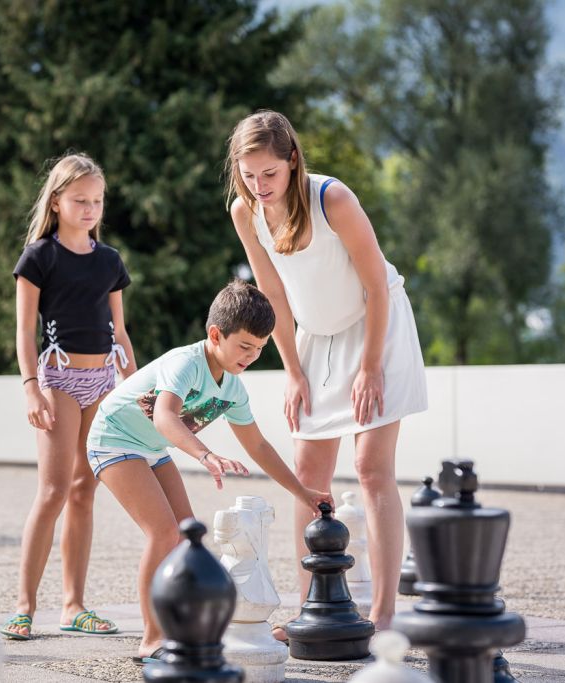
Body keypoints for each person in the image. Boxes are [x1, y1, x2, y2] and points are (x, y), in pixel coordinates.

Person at [225, 110, 428, 637]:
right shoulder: (245, 212)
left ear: (292, 160)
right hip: (315, 338)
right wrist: (293, 370)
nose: (259, 186)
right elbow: (272, 295)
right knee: (307, 476)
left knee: (370, 467)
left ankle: (383, 616)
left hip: (376, 325)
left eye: (269, 173)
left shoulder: (332, 198)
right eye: (248, 176)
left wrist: (370, 367)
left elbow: (377, 285)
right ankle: (311, 609)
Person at [86, 280, 332, 663]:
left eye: (260, 349)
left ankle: (182, 627)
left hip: (150, 447)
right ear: (215, 334)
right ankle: (151, 639)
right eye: (244, 346)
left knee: (188, 538)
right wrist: (205, 455)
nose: (251, 357)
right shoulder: (185, 363)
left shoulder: (233, 387)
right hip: (112, 439)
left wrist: (303, 493)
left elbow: (259, 447)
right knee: (164, 533)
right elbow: (166, 416)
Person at [2, 153, 137, 640]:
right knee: (54, 490)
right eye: (80, 200)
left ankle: (73, 605)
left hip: (103, 380)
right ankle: (23, 606)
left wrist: (135, 387)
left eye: (97, 201)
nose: (89, 209)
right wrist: (30, 388)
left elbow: (119, 332)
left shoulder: (110, 261)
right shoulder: (38, 257)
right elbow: (23, 332)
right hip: (57, 381)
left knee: (85, 490)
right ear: (57, 201)